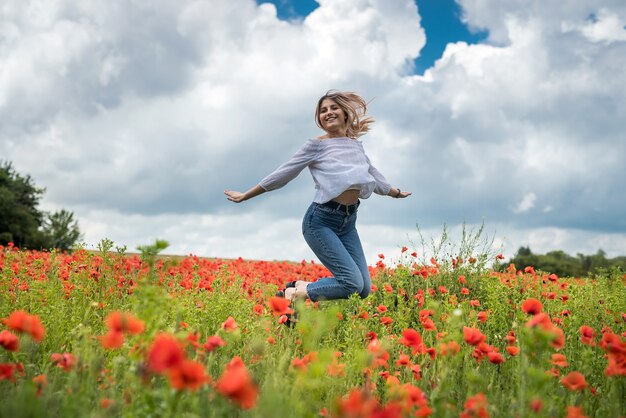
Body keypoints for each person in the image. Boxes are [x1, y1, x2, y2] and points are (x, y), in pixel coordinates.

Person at [224, 90, 411, 303]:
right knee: (351, 283)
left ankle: (301, 286)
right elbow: (284, 172)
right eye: (323, 111)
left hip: (348, 222)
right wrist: (247, 195)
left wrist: (395, 193)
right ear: (319, 119)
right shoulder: (316, 145)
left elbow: (373, 175)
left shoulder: (355, 145)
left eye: (333, 108)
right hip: (320, 221)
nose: (328, 113)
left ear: (345, 113)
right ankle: (294, 294)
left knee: (363, 289)